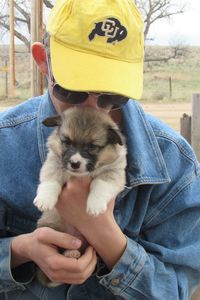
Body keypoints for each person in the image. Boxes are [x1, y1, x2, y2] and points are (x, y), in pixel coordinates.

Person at [0, 0, 200, 299]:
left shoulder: (174, 163)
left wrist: (108, 239)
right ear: (43, 62)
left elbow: (176, 288)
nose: (93, 108)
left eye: (112, 95)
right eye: (72, 91)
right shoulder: (5, 143)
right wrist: (18, 251)